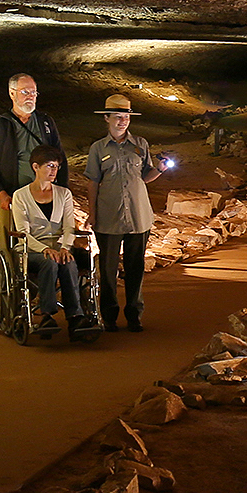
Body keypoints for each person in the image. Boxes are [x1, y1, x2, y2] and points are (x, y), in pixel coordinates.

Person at [84, 94, 168, 332]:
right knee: (108, 270)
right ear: (107, 119)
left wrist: (160, 170)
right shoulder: (98, 149)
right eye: (118, 117)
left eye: (127, 116)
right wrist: (92, 213)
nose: (123, 121)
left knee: (135, 267)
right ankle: (109, 316)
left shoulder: (140, 145)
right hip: (109, 216)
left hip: (138, 216)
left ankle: (134, 314)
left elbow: (145, 177)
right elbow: (92, 182)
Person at [10, 144, 91, 337]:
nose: (54, 171)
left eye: (56, 167)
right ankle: (46, 314)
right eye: (49, 166)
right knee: (49, 262)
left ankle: (75, 316)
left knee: (68, 262)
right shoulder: (20, 196)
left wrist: (64, 248)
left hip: (59, 246)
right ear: (36, 167)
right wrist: (45, 249)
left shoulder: (64, 194)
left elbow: (69, 227)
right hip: (31, 248)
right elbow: (23, 232)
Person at [0, 73, 65, 248]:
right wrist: (2, 194)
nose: (30, 97)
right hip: (13, 196)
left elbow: (60, 158)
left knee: (48, 244)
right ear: (12, 93)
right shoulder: (0, 127)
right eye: (25, 92)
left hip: (45, 196)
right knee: (11, 246)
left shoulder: (45, 123)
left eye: (34, 93)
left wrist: (63, 192)